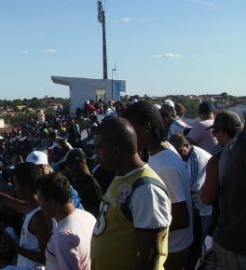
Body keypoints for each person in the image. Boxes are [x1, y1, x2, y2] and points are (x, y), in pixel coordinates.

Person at [91, 117, 171, 270]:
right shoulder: (121, 177)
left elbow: (150, 254)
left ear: (115, 151)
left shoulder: (146, 189)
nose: (95, 153)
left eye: (99, 148)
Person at [124, 101, 193, 270]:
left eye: (131, 129)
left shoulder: (165, 165)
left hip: (172, 251)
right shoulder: (164, 149)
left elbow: (182, 218)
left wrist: (141, 230)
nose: (127, 136)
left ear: (146, 127)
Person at [36, 172, 96, 270]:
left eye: (40, 199)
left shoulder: (63, 236)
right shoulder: (88, 216)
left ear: (51, 202)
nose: (39, 204)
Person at [169, 133, 212, 258]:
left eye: (179, 152)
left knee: (203, 240)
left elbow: (190, 187)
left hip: (206, 207)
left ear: (187, 146)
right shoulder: (185, 156)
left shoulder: (194, 157)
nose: (177, 156)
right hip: (198, 204)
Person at [212, 111, 246, 269]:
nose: (215, 137)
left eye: (215, 132)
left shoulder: (229, 151)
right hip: (235, 242)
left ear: (222, 132)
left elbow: (207, 197)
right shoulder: (235, 149)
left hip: (230, 240)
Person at [60, 148, 103, 218]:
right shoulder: (78, 181)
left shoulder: (92, 185)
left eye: (70, 166)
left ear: (80, 164)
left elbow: (97, 215)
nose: (68, 170)